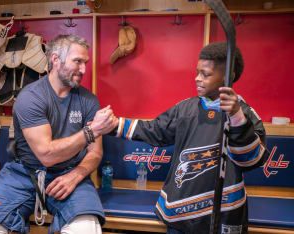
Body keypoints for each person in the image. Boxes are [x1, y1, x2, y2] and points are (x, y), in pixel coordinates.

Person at [111, 41, 270, 234]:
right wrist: (115, 125)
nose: (197, 79)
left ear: (228, 77)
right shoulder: (185, 109)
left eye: (206, 74)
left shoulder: (245, 114)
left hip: (225, 211)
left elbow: (251, 160)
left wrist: (236, 117)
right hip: (181, 210)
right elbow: (155, 130)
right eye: (197, 72)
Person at [0, 34, 117, 234]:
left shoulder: (88, 100)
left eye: (85, 63)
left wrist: (76, 175)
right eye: (77, 62)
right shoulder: (31, 97)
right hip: (23, 174)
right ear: (55, 59)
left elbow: (95, 153)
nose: (83, 69)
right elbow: (46, 155)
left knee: (86, 228)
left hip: (70, 172)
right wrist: (92, 131)